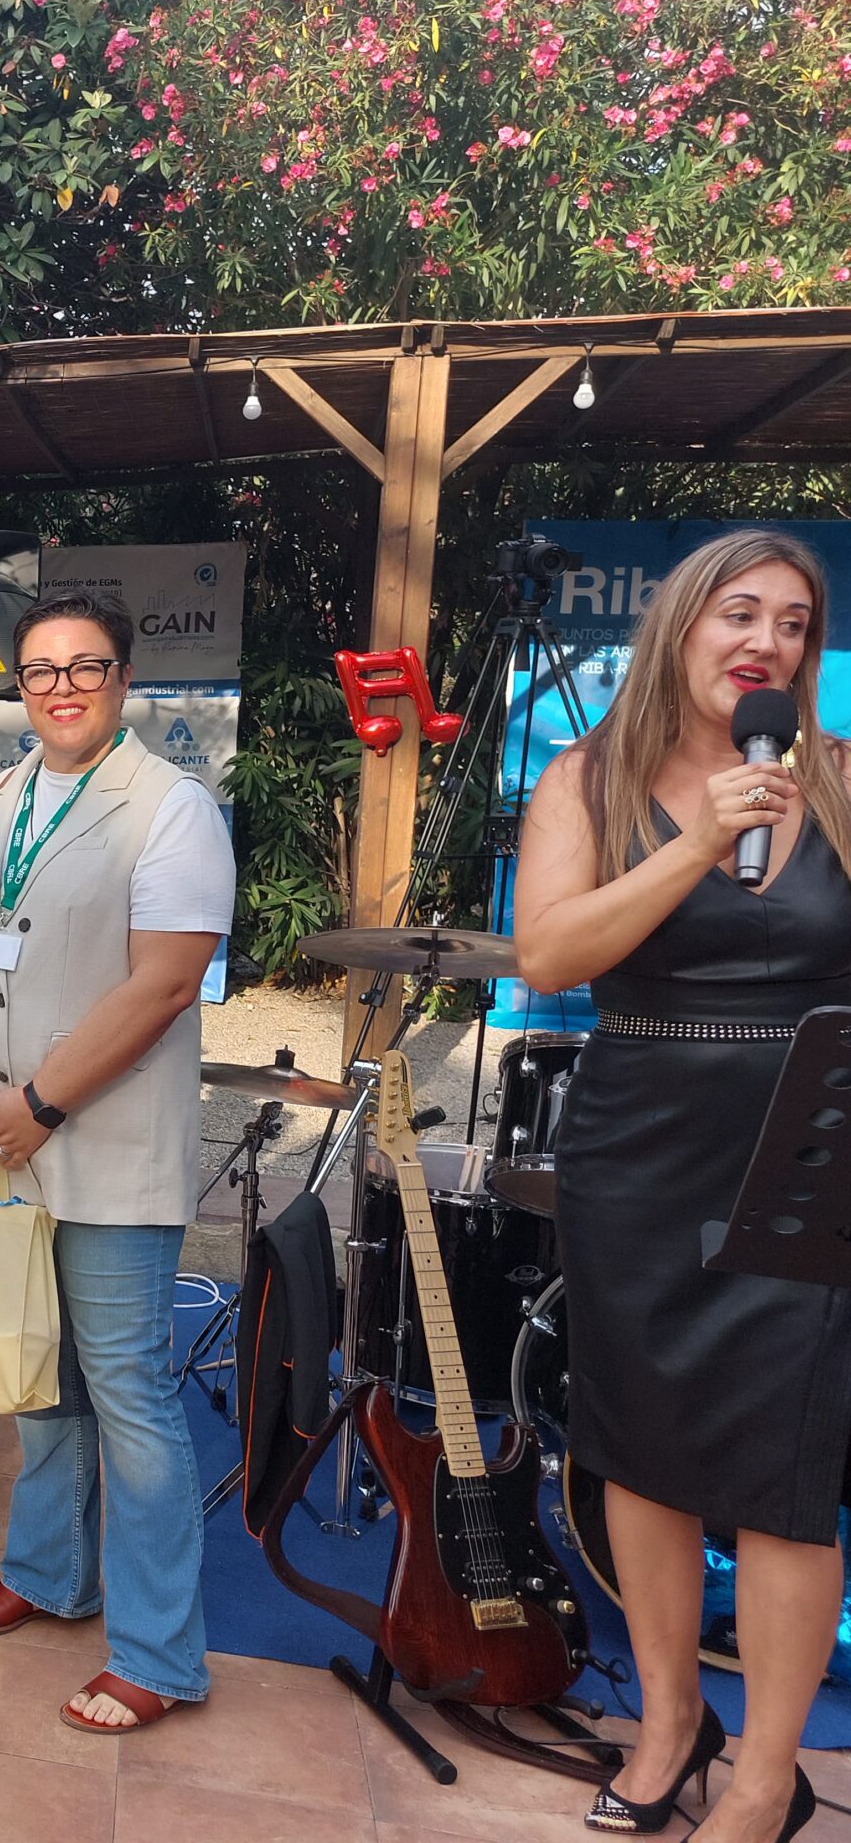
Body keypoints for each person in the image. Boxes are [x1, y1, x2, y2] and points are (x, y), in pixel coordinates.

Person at [515, 530, 848, 1843]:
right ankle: (668, 1725)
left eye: (794, 623)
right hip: (640, 1147)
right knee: (640, 1453)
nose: (767, 642)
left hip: (809, 1147)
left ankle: (765, 1778)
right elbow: (550, 954)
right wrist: (697, 841)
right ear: (681, 628)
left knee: (784, 1473)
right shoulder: (586, 780)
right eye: (740, 613)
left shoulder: (836, 779)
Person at [0, 588, 232, 1734]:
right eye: (39, 670)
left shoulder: (171, 809)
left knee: (127, 1394)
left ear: (123, 681)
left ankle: (157, 1655)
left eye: (84, 667)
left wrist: (42, 1102)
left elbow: (165, 983)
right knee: (39, 1381)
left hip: (97, 1144)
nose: (60, 688)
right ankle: (49, 1575)